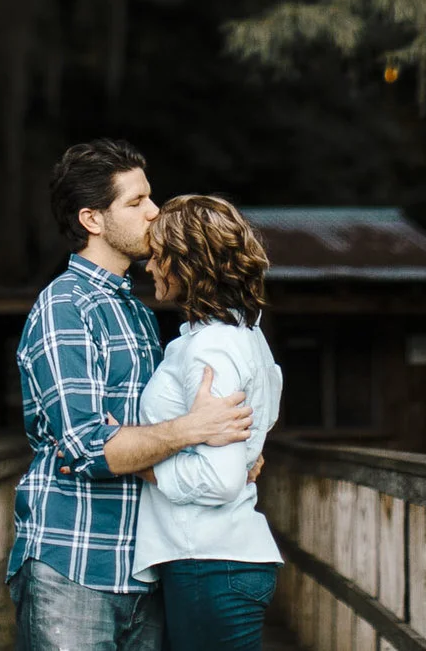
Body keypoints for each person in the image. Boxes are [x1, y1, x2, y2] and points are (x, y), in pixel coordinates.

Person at [10, 140, 255, 651]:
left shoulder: (140, 313)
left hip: (144, 565)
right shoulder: (64, 307)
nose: (154, 212)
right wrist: (192, 431)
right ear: (92, 219)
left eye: (151, 197)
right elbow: (84, 445)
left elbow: (168, 424)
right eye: (136, 202)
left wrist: (234, 454)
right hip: (75, 565)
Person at [132, 197, 284, 651]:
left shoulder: (212, 348)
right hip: (221, 560)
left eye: (158, 256)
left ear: (186, 263)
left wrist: (139, 464)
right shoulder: (243, 334)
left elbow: (218, 481)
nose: (149, 268)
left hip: (208, 560)